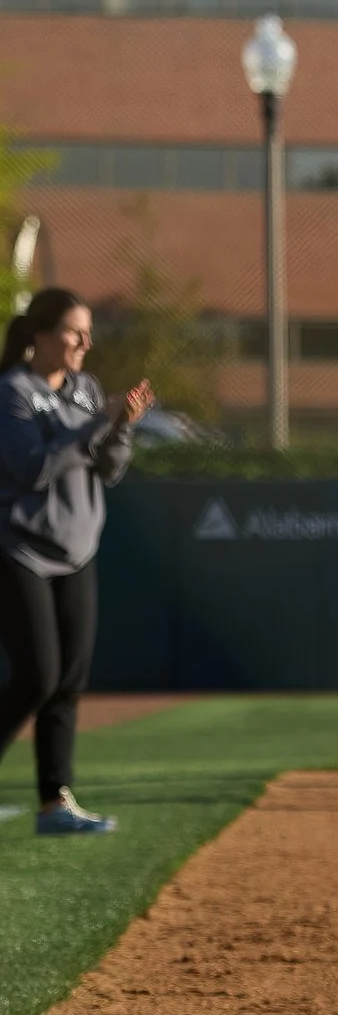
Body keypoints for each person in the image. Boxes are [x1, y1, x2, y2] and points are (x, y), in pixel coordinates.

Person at [0, 289, 150, 834]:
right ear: (39, 335)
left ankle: (53, 804)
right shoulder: (14, 390)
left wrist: (122, 424)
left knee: (68, 680)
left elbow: (108, 469)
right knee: (36, 676)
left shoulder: (85, 390)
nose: (85, 342)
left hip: (78, 548)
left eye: (88, 331)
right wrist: (94, 424)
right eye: (73, 330)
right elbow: (33, 469)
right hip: (20, 549)